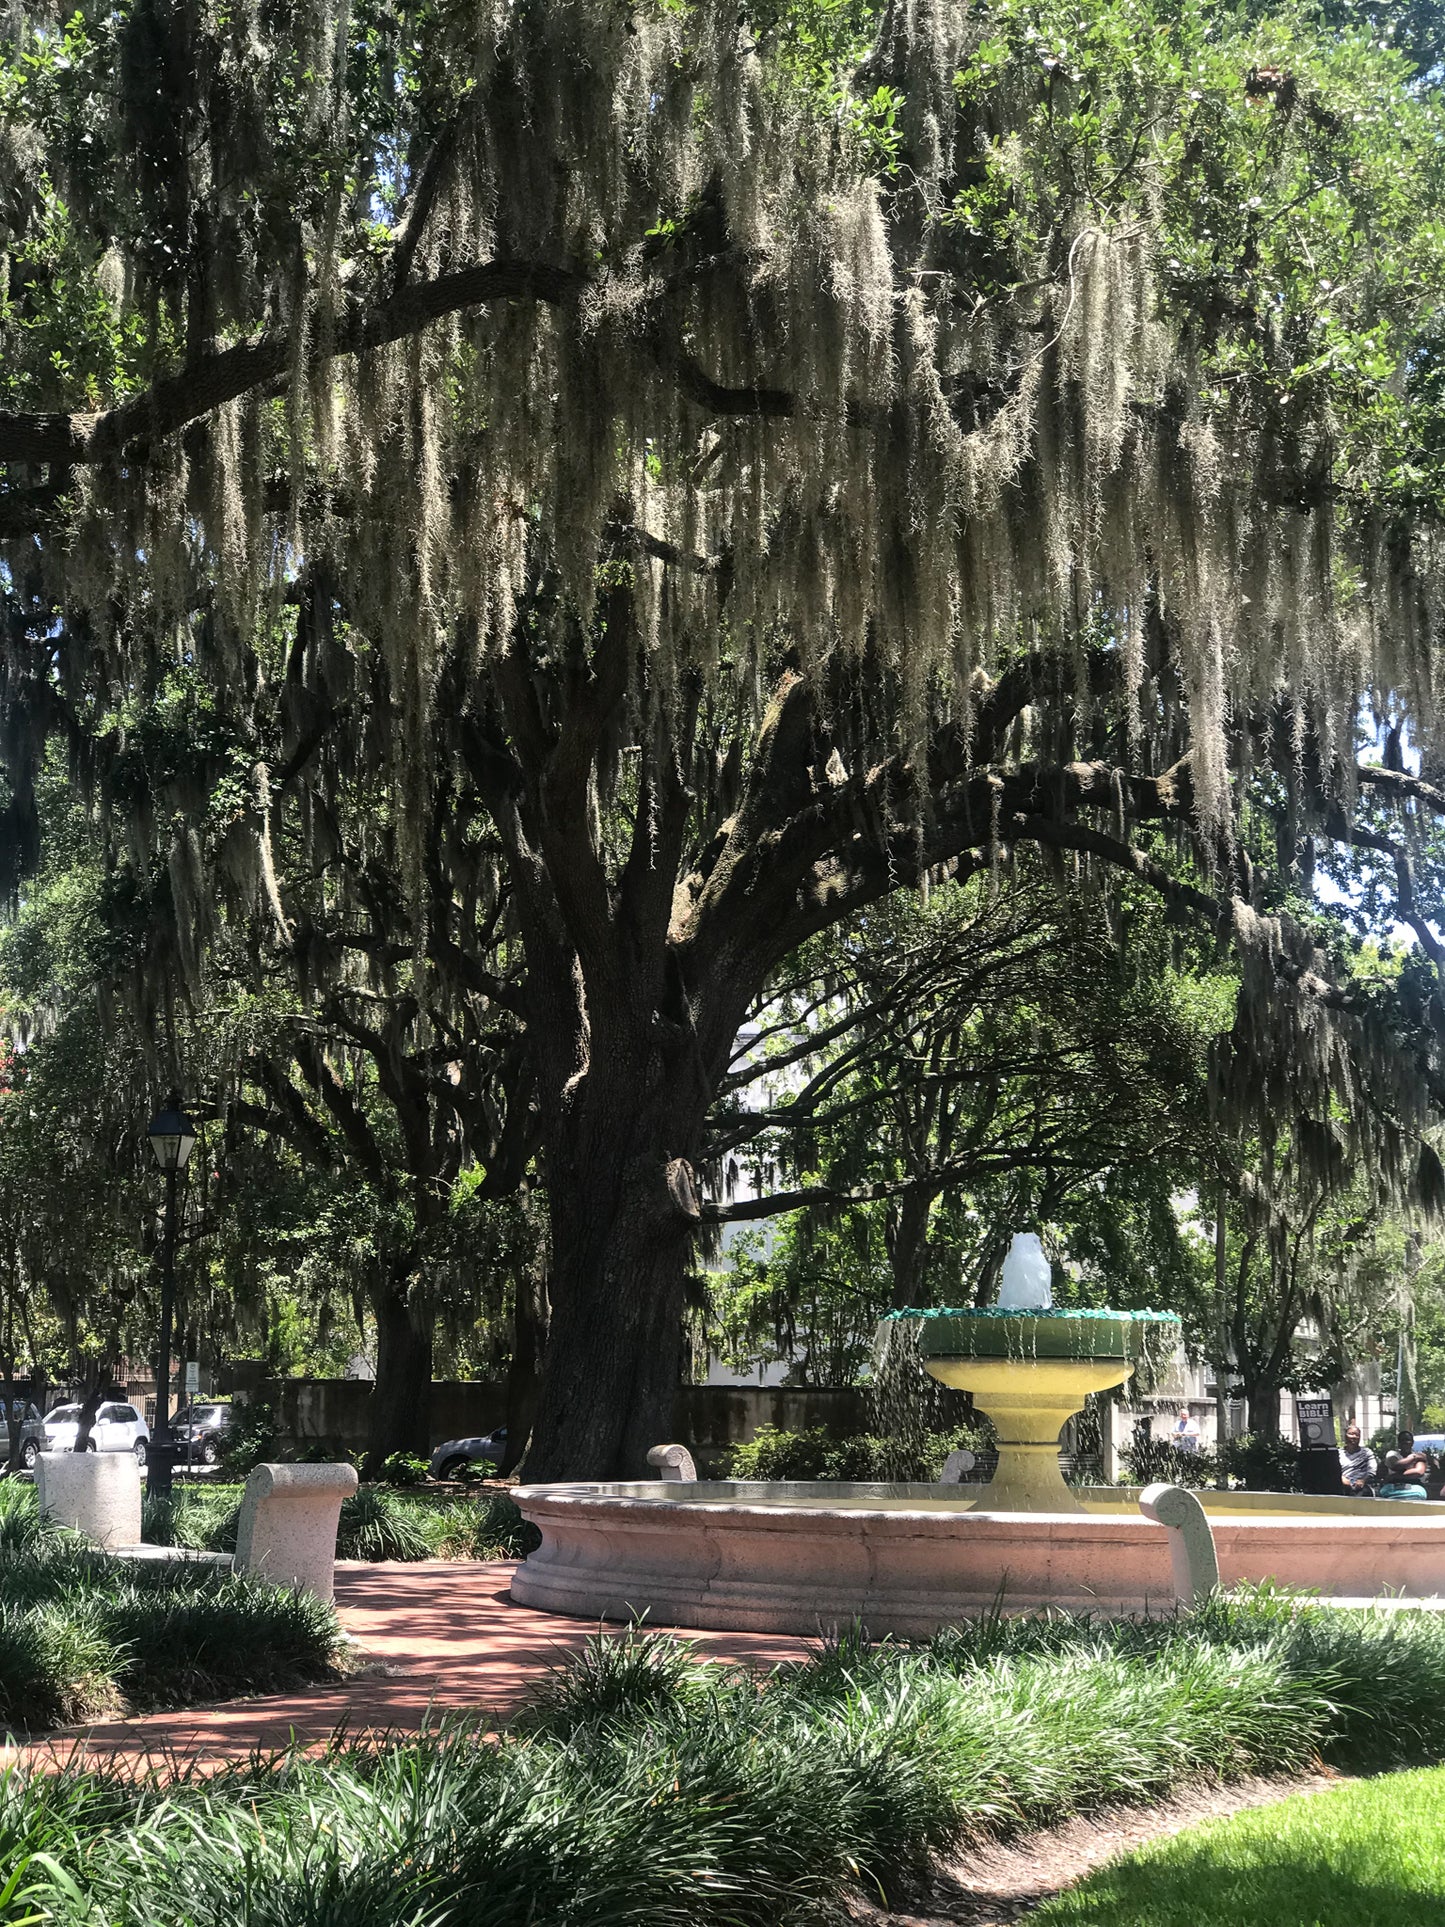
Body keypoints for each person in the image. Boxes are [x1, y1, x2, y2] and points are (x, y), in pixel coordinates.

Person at [1339, 1423, 1376, 1494]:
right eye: (1351, 1434)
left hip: (1363, 1486)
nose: (1354, 1436)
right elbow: (1333, 1470)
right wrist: (1342, 1478)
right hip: (1343, 1486)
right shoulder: (1338, 1453)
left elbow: (1372, 1469)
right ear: (1345, 1436)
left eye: (1357, 1434)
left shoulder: (1366, 1452)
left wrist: (1363, 1480)